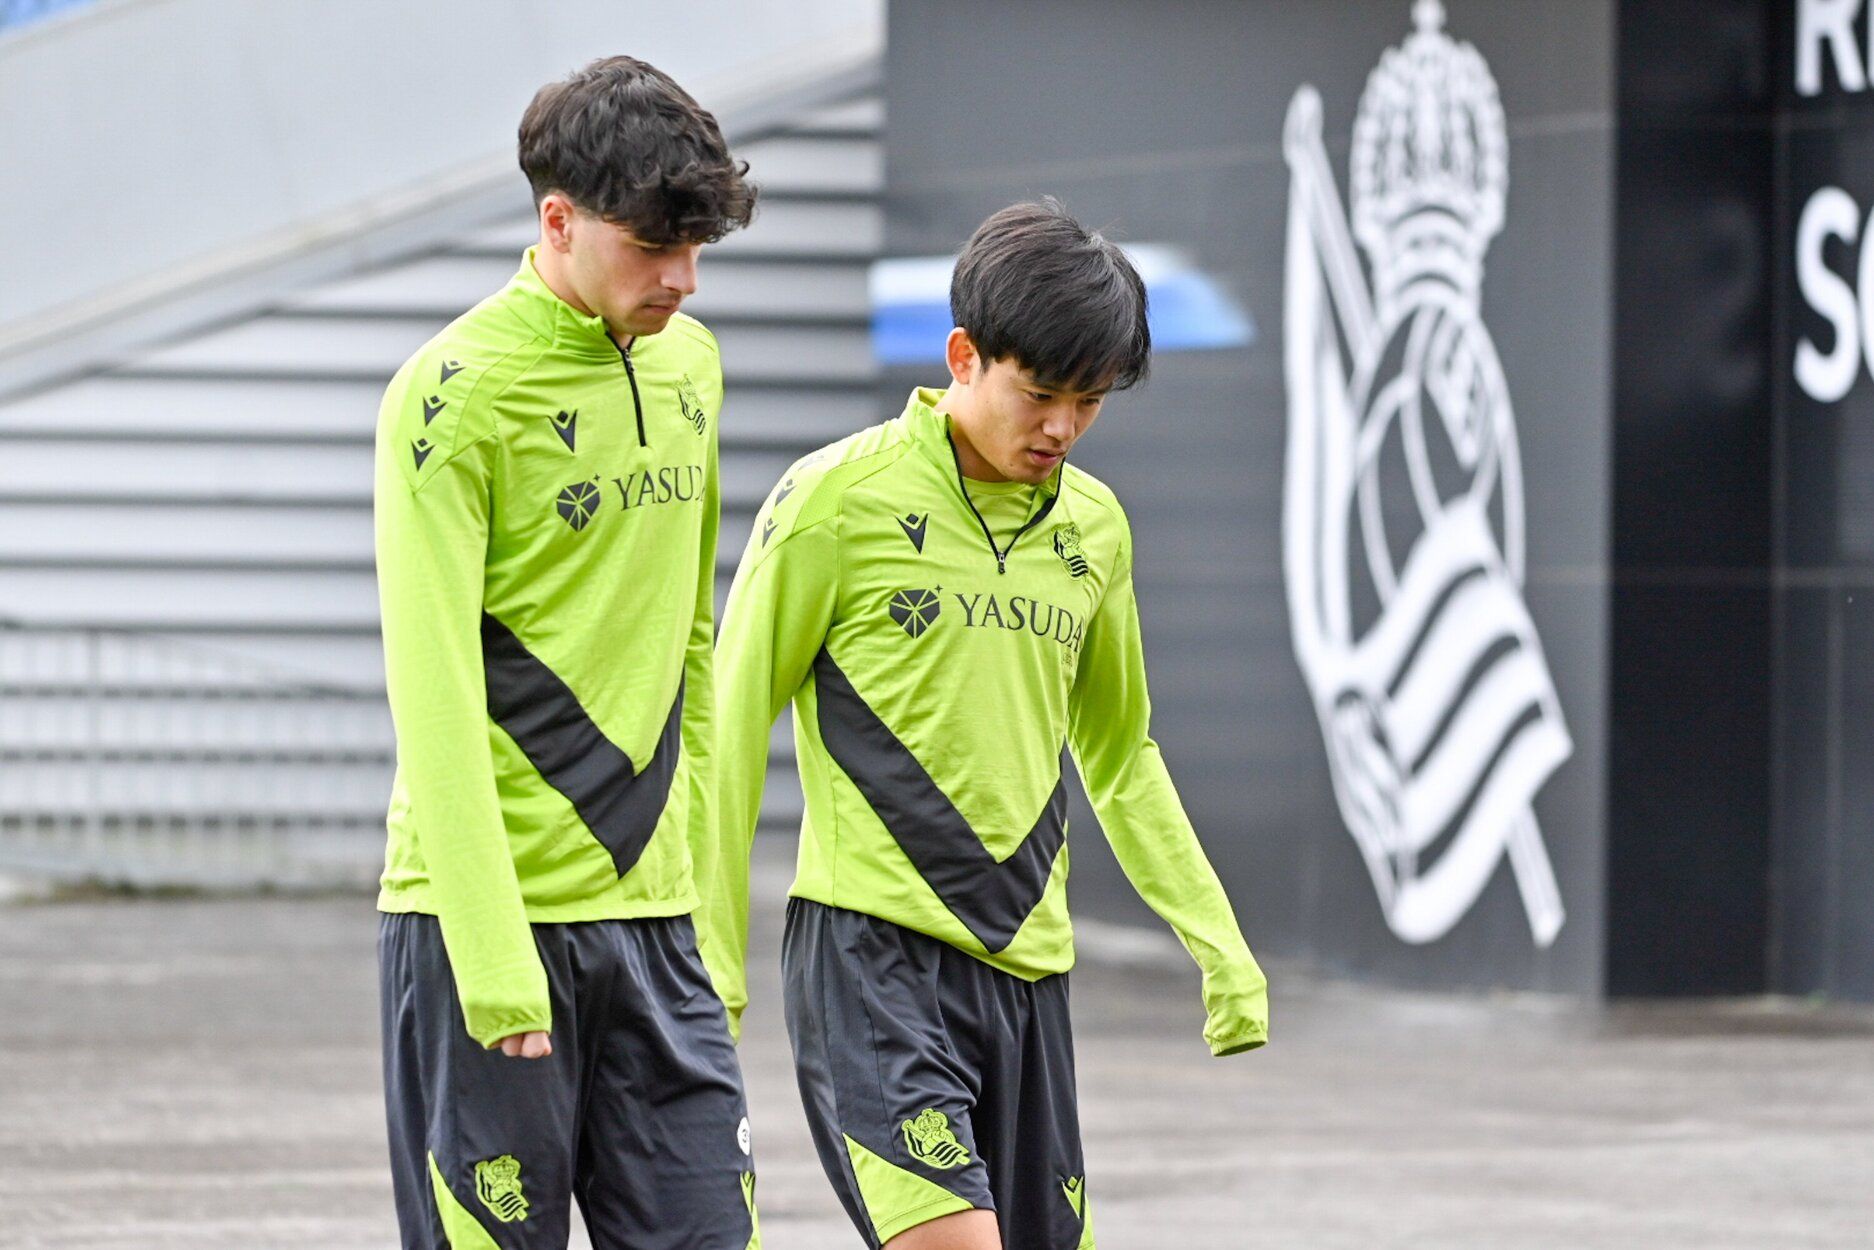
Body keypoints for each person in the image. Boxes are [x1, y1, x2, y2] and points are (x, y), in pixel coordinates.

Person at [705, 199, 1269, 1250]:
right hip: (870, 958)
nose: (1059, 426)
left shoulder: (1095, 527)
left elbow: (1120, 752)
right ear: (963, 355)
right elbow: (728, 728)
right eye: (1039, 392)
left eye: (1089, 401)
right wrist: (710, 965)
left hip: (1027, 977)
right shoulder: (834, 499)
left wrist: (1216, 941)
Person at [373, 56, 759, 1249]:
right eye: (654, 247)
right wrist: (494, 957)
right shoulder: (450, 396)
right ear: (559, 220)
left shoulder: (691, 365)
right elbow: (431, 685)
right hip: (484, 925)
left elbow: (691, 641)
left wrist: (705, 911)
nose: (682, 281)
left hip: (656, 921)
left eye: (697, 249)